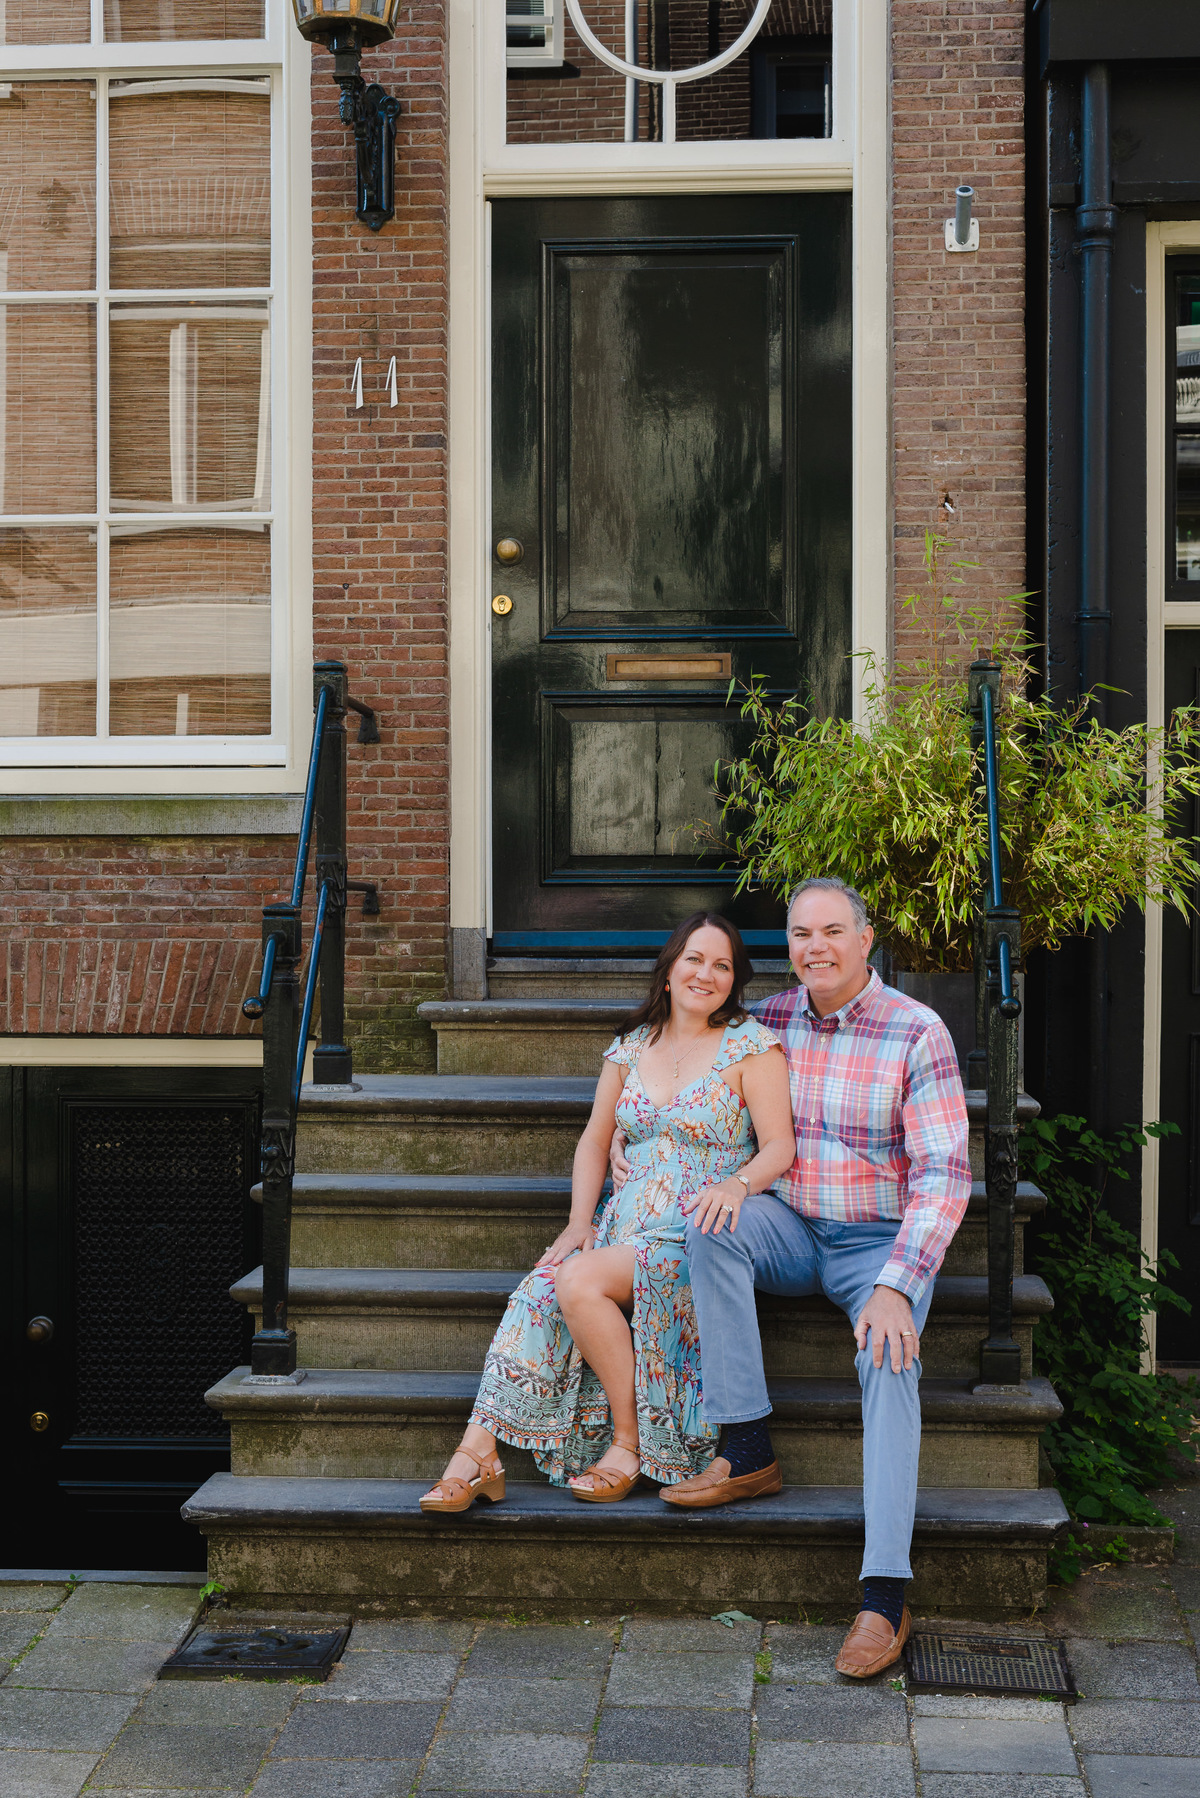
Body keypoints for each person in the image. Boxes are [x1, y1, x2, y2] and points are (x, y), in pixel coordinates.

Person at [612, 877, 971, 1677]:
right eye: (802, 934)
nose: (816, 947)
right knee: (710, 1223)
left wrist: (898, 1284)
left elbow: (945, 1175)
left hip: (877, 1243)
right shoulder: (764, 1021)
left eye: (832, 932)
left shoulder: (918, 1032)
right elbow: (674, 1065)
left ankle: (883, 1595)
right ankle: (746, 1446)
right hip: (790, 1226)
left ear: (865, 939)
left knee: (888, 1356)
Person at [419, 911, 795, 1512]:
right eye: (694, 959)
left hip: (695, 1237)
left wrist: (737, 1185)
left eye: (722, 965)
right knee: (540, 1290)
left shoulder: (751, 1046)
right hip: (622, 1230)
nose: (706, 973)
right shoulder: (629, 1048)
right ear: (669, 971)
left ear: (735, 980)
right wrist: (578, 1222)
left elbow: (780, 1145)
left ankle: (628, 1443)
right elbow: (596, 1139)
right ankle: (476, 1454)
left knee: (576, 1279)